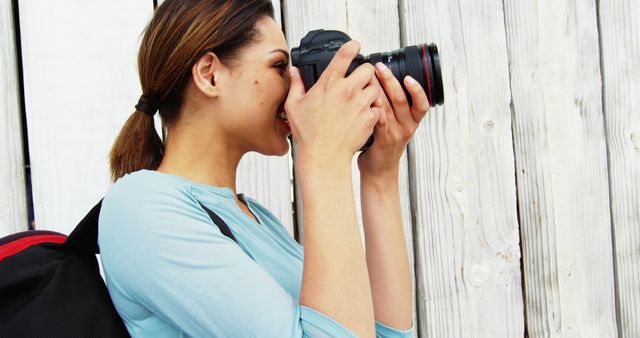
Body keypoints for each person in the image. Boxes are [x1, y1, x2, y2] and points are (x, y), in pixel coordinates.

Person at [99, 0, 430, 337]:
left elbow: (381, 334)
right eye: (279, 66)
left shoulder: (254, 218)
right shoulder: (141, 208)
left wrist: (379, 176)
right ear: (209, 75)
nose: (295, 85)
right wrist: (324, 158)